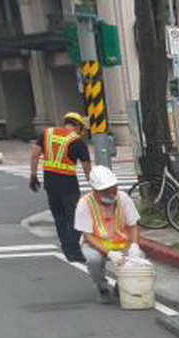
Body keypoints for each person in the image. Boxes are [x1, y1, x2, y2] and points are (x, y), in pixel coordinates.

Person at [74, 165, 145, 303]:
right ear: (95, 191)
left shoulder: (123, 198)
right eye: (106, 191)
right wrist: (109, 253)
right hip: (96, 245)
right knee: (94, 260)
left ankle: (122, 286)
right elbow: (88, 236)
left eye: (113, 189)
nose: (111, 193)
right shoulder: (85, 203)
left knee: (138, 258)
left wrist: (135, 246)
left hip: (122, 243)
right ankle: (102, 288)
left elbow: (133, 225)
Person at [29, 112, 91, 263]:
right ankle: (75, 251)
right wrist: (95, 186)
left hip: (50, 184)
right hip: (69, 185)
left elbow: (35, 155)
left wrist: (33, 175)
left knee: (59, 218)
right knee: (74, 218)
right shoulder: (77, 141)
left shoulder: (47, 134)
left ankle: (67, 250)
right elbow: (87, 168)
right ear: (77, 126)